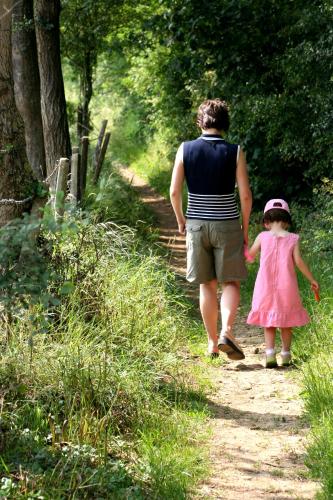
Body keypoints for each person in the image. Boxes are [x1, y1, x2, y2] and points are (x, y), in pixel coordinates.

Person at [170, 99, 252, 360]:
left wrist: (182, 221)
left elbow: (174, 191)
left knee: (206, 284)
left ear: (200, 122)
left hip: (196, 225)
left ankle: (211, 343)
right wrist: (245, 230)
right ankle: (227, 331)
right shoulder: (235, 151)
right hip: (227, 223)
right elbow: (246, 196)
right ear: (224, 123)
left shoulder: (185, 149)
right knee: (231, 282)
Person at [246, 199, 319, 368]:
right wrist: (312, 279)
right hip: (287, 288)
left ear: (266, 222)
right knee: (287, 323)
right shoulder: (293, 238)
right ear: (286, 221)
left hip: (264, 287)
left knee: (268, 323)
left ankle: (270, 354)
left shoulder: (262, 237)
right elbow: (299, 262)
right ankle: (286, 355)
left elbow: (249, 257)